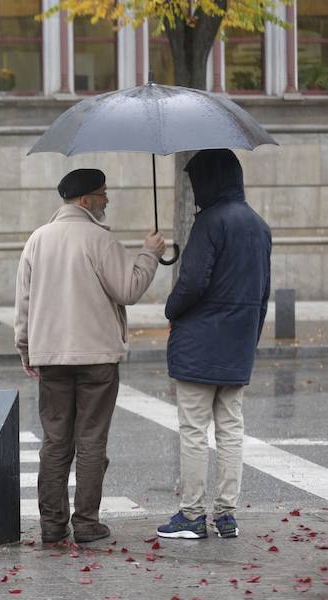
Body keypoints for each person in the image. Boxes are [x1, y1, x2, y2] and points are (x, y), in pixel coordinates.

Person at [14, 169, 165, 544]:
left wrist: (26, 349)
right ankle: (86, 523)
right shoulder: (100, 240)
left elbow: (24, 302)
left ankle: (51, 523)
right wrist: (150, 254)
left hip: (51, 356)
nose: (107, 200)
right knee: (92, 440)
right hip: (97, 355)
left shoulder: (37, 240)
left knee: (54, 440)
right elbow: (128, 289)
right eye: (103, 194)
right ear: (85, 201)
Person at [156, 149, 271, 541]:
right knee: (230, 429)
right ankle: (226, 515)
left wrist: (170, 310)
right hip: (238, 343)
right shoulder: (260, 226)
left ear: (209, 180)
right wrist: (249, 339)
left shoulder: (209, 223)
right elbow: (263, 292)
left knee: (193, 430)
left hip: (199, 346)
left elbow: (192, 282)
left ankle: (191, 514)